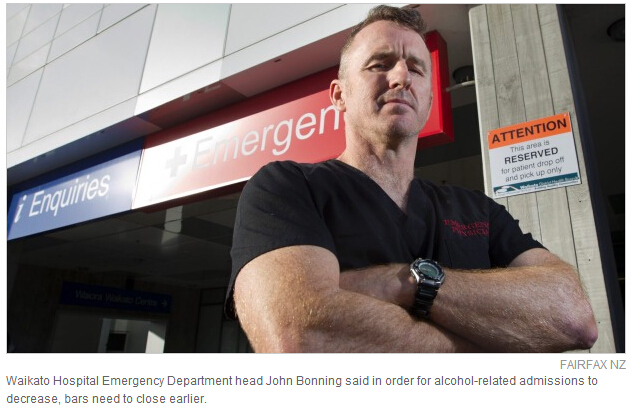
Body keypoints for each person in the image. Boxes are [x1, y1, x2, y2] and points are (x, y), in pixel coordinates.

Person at [224, 5, 598, 352]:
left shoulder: (479, 211)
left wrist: (402, 283)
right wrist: (491, 340)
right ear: (339, 95)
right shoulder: (287, 188)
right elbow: (303, 337)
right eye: (379, 64)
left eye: (416, 68)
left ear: (429, 100)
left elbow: (574, 316)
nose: (402, 77)